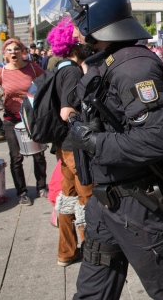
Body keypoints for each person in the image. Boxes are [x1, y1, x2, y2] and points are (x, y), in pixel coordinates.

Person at [40, 0, 163, 299]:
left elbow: (155, 139)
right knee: (93, 291)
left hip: (136, 205)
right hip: (104, 202)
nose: (72, 24)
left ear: (95, 17)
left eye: (77, 16)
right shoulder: (103, 63)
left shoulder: (134, 67)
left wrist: (94, 142)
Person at [46, 18, 93, 267]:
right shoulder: (72, 71)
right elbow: (67, 111)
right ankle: (90, 249)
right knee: (87, 196)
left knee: (67, 196)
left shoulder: (60, 67)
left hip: (63, 145)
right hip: (74, 146)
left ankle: (66, 252)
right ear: (75, 45)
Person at [0, 39, 47, 206]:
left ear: (22, 51)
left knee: (38, 153)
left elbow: (47, 82)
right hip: (11, 118)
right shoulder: (0, 72)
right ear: (5, 54)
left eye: (16, 49)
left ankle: (41, 186)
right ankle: (21, 192)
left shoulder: (31, 67)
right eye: (9, 50)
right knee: (16, 157)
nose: (13, 52)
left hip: (31, 116)